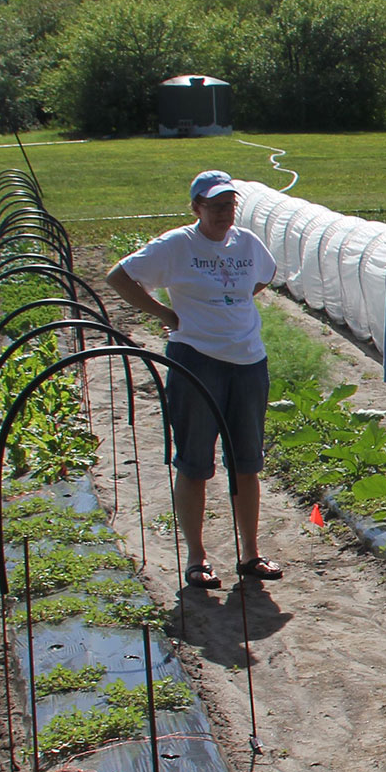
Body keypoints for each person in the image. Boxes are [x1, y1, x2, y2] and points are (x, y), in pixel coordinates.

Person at [107, 169, 281, 590]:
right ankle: (198, 557)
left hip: (248, 361)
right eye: (216, 206)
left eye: (230, 205)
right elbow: (119, 277)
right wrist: (167, 315)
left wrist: (229, 306)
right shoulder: (177, 246)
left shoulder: (246, 244)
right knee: (195, 462)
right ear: (197, 207)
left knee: (247, 462)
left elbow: (264, 276)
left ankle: (250, 553)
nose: (225, 213)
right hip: (196, 361)